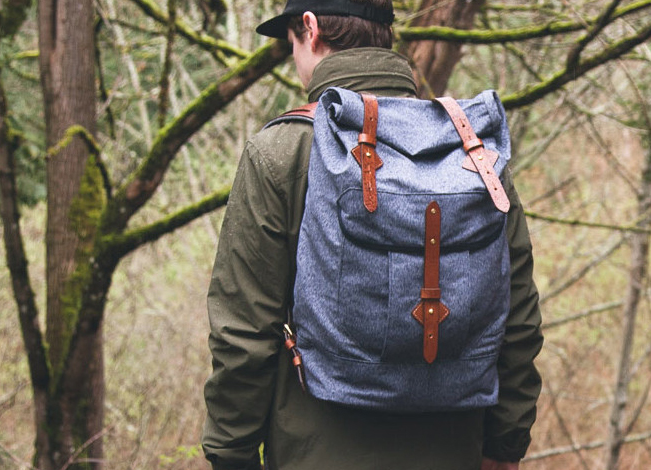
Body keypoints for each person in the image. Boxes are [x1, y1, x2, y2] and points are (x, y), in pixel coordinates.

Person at [202, 1, 544, 468]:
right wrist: (504, 444)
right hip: (454, 448)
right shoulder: (471, 158)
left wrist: (231, 452)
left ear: (310, 26)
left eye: (290, 43)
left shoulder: (282, 151)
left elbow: (243, 330)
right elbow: (517, 318)